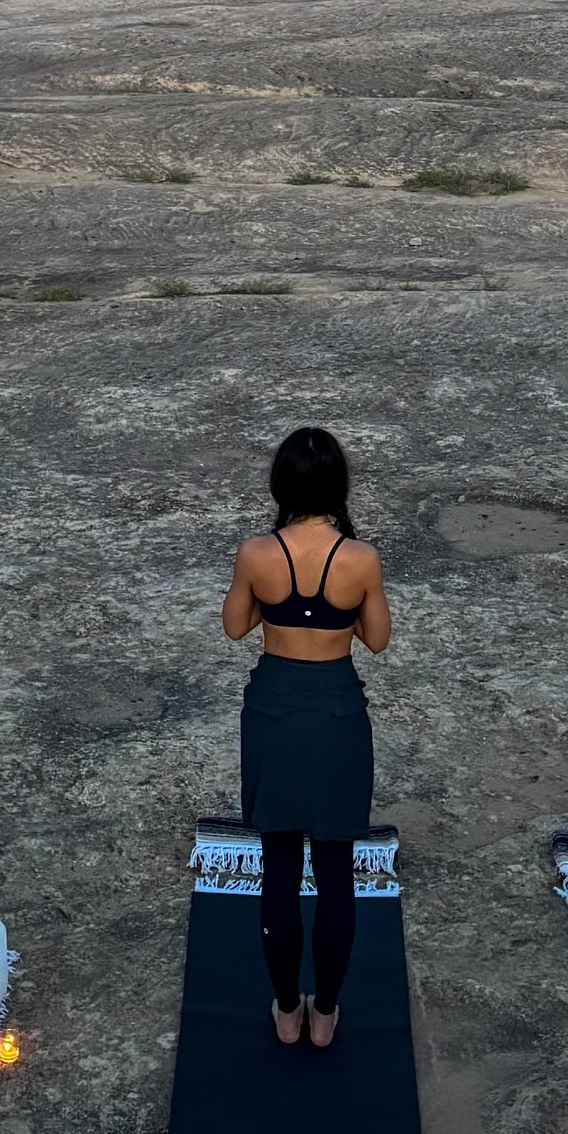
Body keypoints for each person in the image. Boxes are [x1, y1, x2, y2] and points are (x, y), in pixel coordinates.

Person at [221, 426, 392, 1047]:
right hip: (338, 718)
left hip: (274, 713)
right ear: (339, 486)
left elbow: (235, 627)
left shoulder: (256, 554)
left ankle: (286, 1011)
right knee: (336, 870)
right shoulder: (361, 559)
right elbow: (376, 639)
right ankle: (326, 1016)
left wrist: (275, 605)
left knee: (279, 869)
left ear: (280, 484)